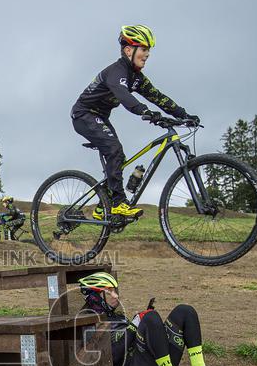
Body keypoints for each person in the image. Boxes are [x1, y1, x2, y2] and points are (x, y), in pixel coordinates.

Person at [71, 24, 199, 224]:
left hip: (100, 118)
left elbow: (158, 97)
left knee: (118, 156)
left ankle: (101, 207)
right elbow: (123, 95)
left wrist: (184, 115)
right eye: (144, 49)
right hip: (83, 115)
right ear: (129, 50)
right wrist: (144, 111)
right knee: (114, 149)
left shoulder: (136, 78)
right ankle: (118, 203)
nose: (147, 54)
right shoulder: (116, 72)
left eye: (149, 50)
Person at [78, 272, 232, 366]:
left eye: (115, 290)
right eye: (108, 291)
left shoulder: (116, 316)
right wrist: (135, 325)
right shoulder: (88, 323)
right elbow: (110, 358)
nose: (115, 295)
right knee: (150, 318)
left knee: (185, 311)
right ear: (95, 296)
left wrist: (140, 324)